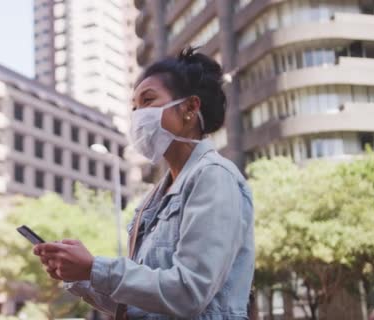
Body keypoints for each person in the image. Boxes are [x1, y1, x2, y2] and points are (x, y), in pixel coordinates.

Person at [34, 47, 255, 319]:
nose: (138, 116)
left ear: (189, 107)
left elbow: (189, 293)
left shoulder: (214, 177)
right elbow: (137, 303)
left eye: (148, 101)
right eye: (134, 108)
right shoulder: (154, 199)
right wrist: (79, 276)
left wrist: (95, 268)